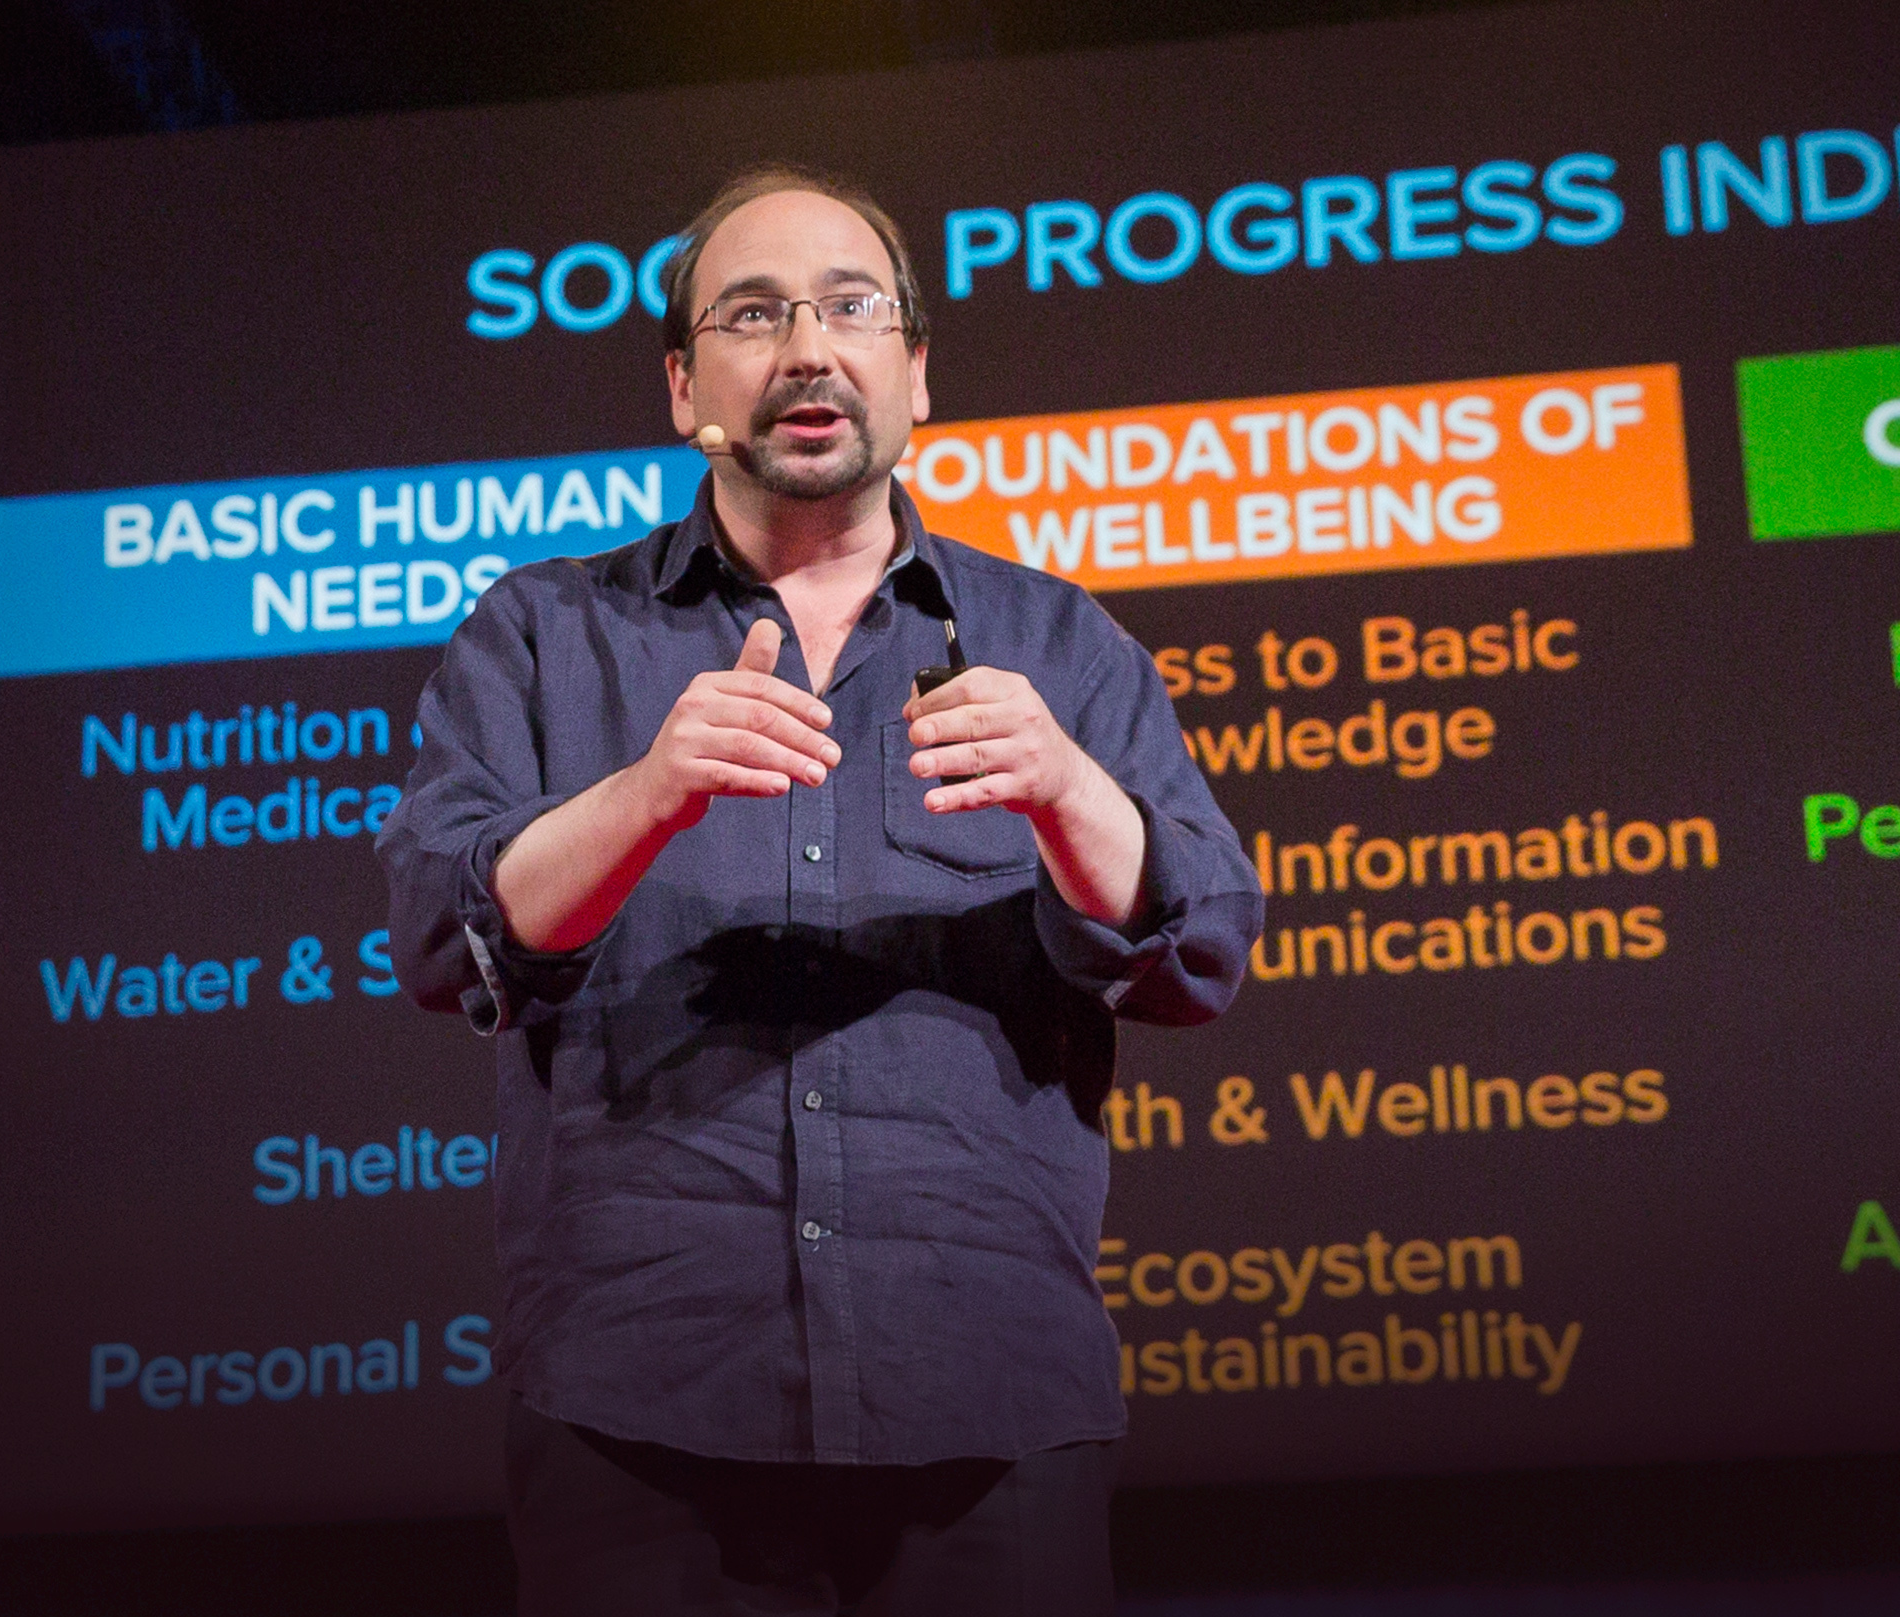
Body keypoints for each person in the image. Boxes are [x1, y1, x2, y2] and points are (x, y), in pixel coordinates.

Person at [378, 163, 1263, 1616]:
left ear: (915, 372)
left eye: (851, 308)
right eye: (752, 313)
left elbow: (1199, 950)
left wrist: (1064, 787)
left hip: (986, 1398)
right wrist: (647, 795)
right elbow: (440, 933)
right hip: (641, 1406)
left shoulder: (1056, 643)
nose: (807, 347)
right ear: (684, 385)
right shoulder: (542, 633)